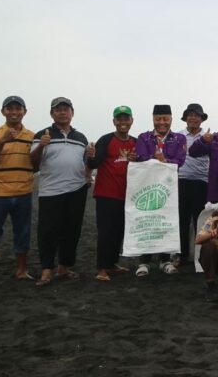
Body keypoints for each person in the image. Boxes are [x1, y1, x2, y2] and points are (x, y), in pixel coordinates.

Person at [31, 97, 92, 287]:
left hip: (77, 189)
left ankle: (64, 267)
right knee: (48, 231)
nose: (62, 112)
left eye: (66, 109)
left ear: (72, 113)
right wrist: (41, 145)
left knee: (71, 230)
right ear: (52, 114)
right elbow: (32, 162)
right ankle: (47, 269)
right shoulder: (42, 134)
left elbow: (85, 163)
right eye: (58, 109)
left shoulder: (81, 137)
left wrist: (89, 170)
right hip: (50, 191)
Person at [0, 95, 35, 285]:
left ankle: (21, 270)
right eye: (9, 108)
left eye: (18, 108)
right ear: (3, 111)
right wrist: (2, 140)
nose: (14, 112)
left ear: (25, 112)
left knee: (23, 233)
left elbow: (36, 164)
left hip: (23, 192)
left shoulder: (32, 136)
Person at [133, 104, 188, 276]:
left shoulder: (179, 138)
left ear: (171, 119)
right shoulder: (143, 137)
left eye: (165, 119)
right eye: (158, 119)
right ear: (153, 119)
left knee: (167, 221)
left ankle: (165, 260)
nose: (162, 122)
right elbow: (141, 157)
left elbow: (180, 160)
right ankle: (144, 261)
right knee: (147, 219)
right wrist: (159, 160)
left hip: (170, 187)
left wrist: (163, 160)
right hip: (147, 185)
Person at [87, 106, 137, 282]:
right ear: (114, 121)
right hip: (106, 194)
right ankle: (101, 268)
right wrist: (90, 156)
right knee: (105, 232)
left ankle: (112, 263)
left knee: (119, 231)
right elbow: (94, 163)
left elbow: (142, 165)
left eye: (126, 119)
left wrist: (136, 159)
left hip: (127, 195)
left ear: (132, 121)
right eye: (119, 119)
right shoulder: (106, 140)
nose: (123, 122)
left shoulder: (136, 142)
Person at [177, 103, 210, 269]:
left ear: (201, 119)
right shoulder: (177, 136)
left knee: (200, 221)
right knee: (181, 221)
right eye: (190, 115)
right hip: (181, 181)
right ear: (186, 118)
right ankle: (182, 256)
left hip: (201, 182)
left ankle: (199, 257)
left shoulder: (209, 137)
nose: (193, 118)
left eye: (197, 115)